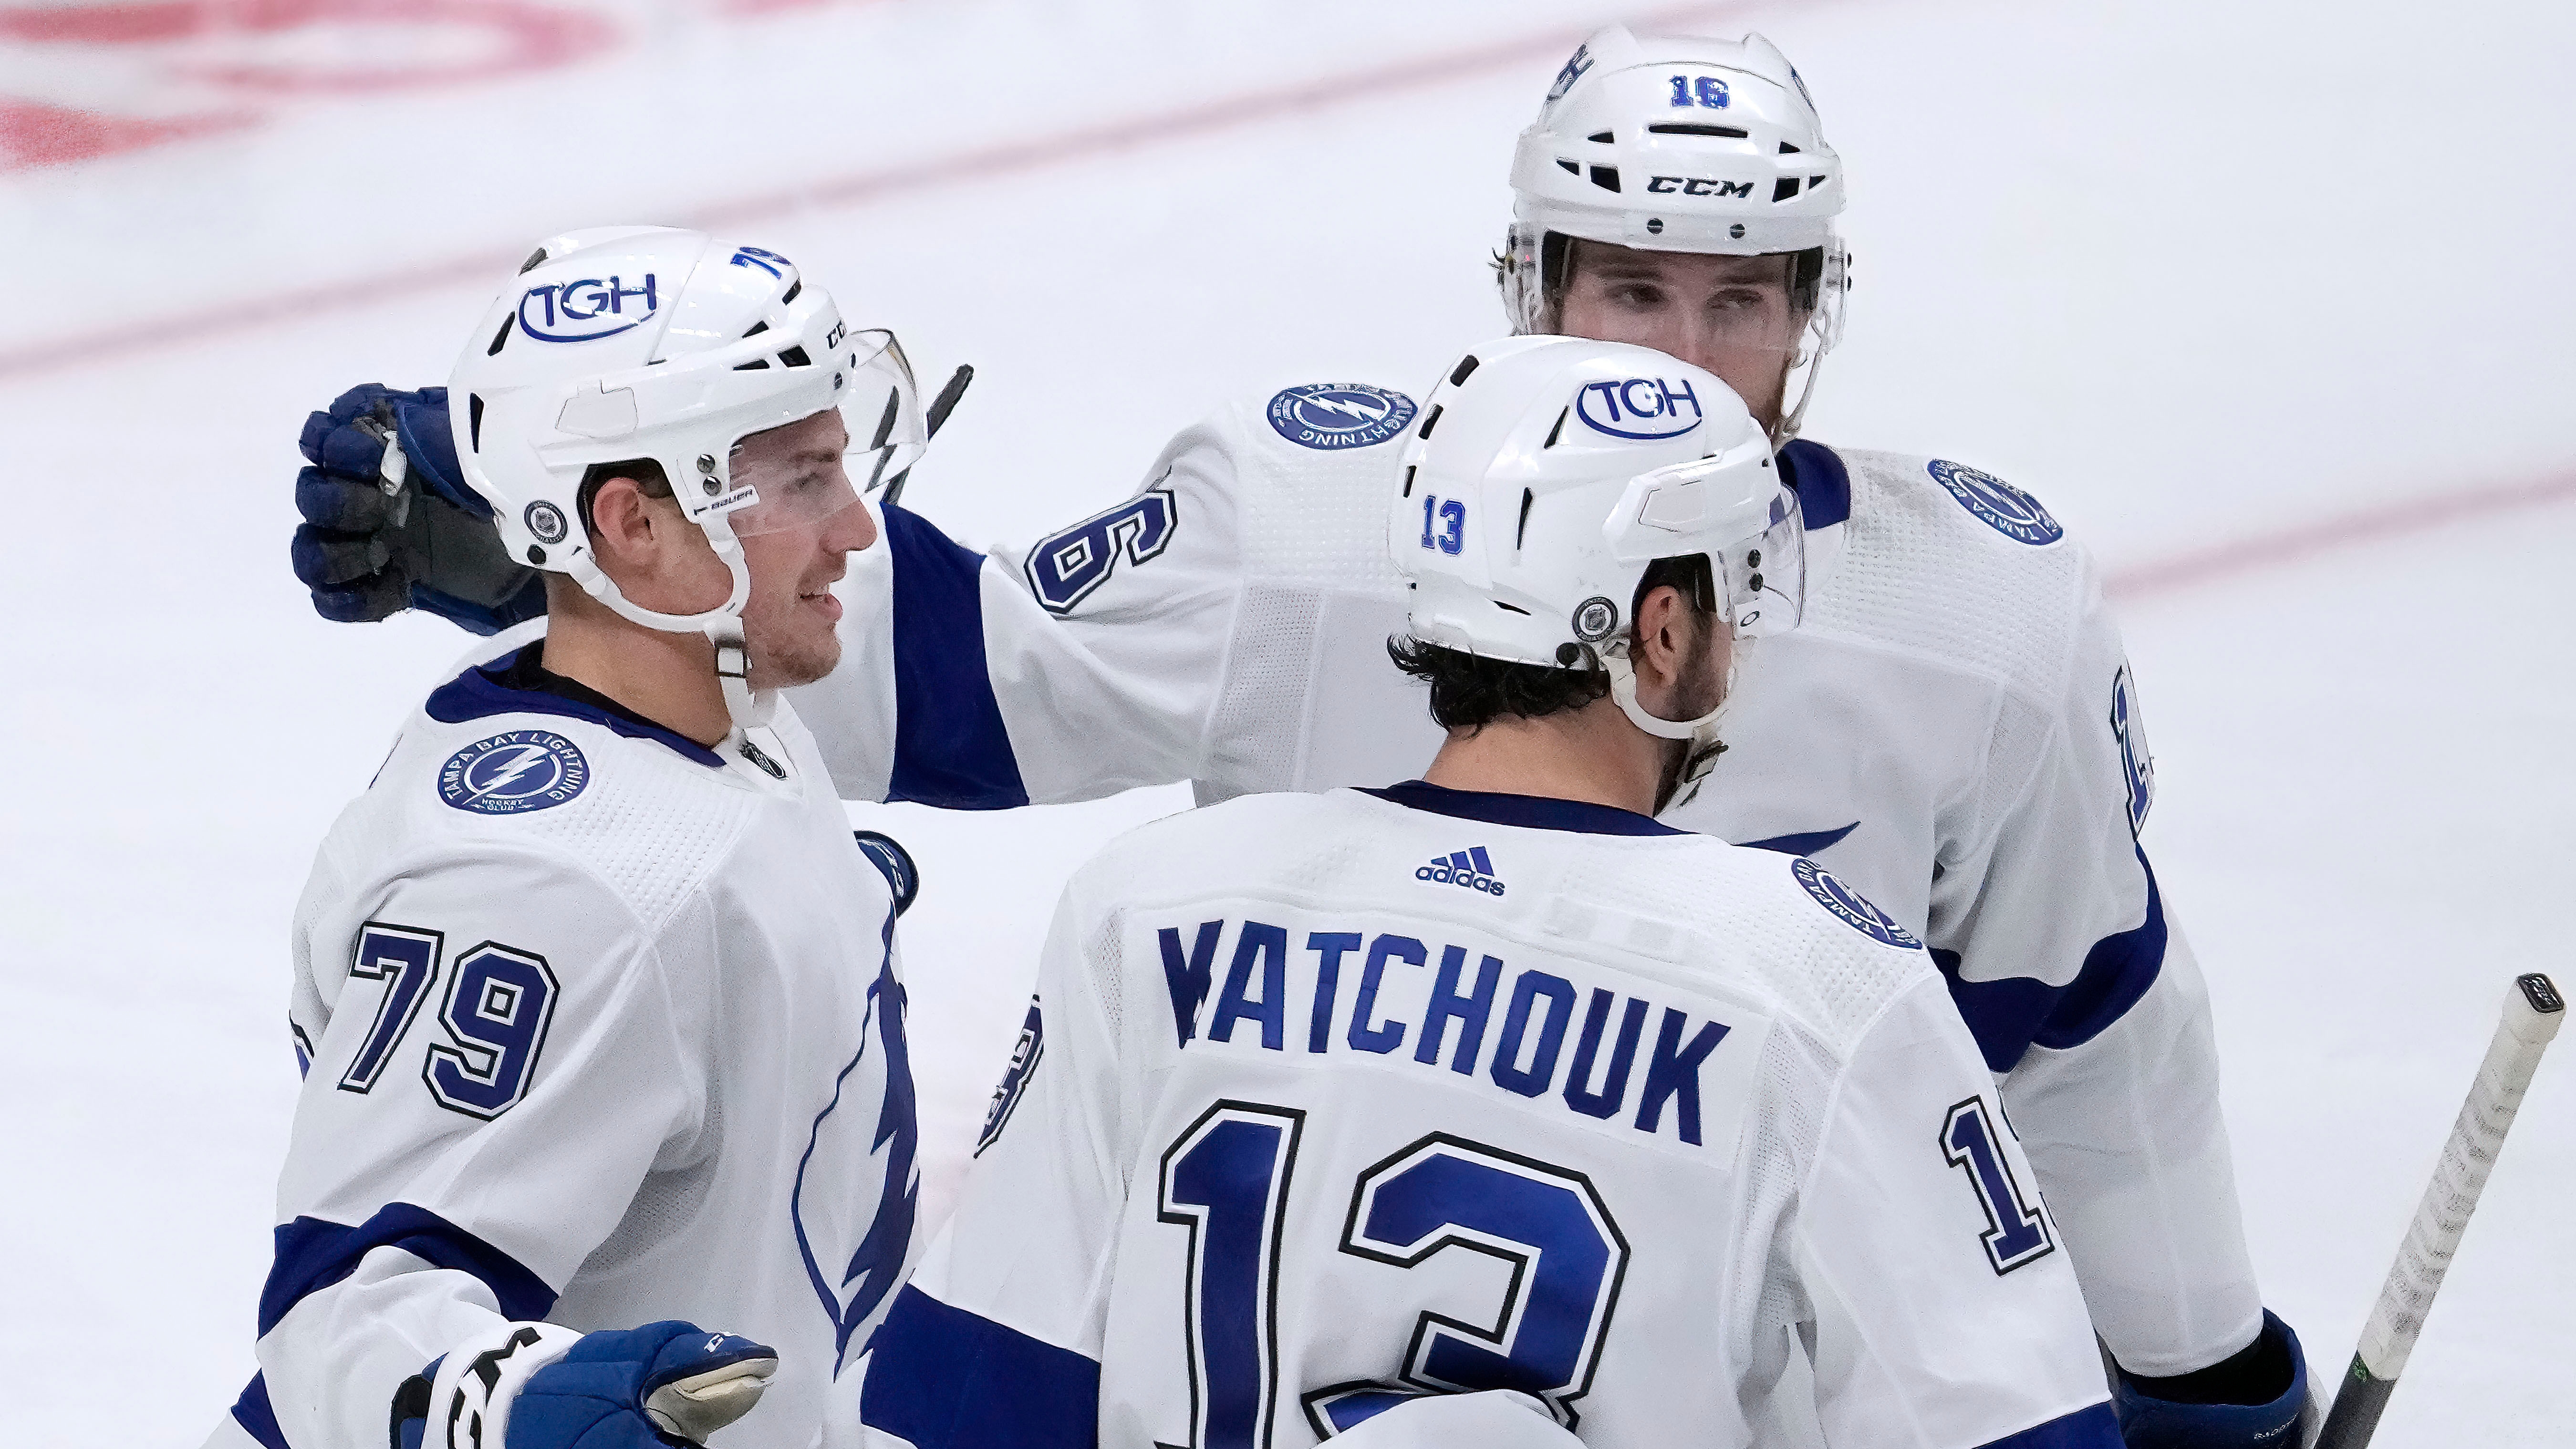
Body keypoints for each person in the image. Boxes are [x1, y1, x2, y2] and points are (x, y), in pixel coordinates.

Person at [280, 29, 2309, 1447]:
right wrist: (588, 549)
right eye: (1629, 291)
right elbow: (967, 674)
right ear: (1531, 286)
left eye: (1736, 302)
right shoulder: (1327, 548)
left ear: (1812, 309)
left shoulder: (1977, 632)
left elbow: (2099, 1060)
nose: (1685, 360)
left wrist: (2198, 1366)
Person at [857, 339, 2121, 1449]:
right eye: (1737, 592)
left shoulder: (1156, 902)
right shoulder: (1816, 979)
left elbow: (975, 1392)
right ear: (1664, 628)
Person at [214, 227, 932, 1449]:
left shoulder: (713, 695)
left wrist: (546, 503)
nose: (859, 530)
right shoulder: (561, 888)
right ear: (635, 528)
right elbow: (349, 1310)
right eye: (804, 480)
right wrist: (512, 1406)